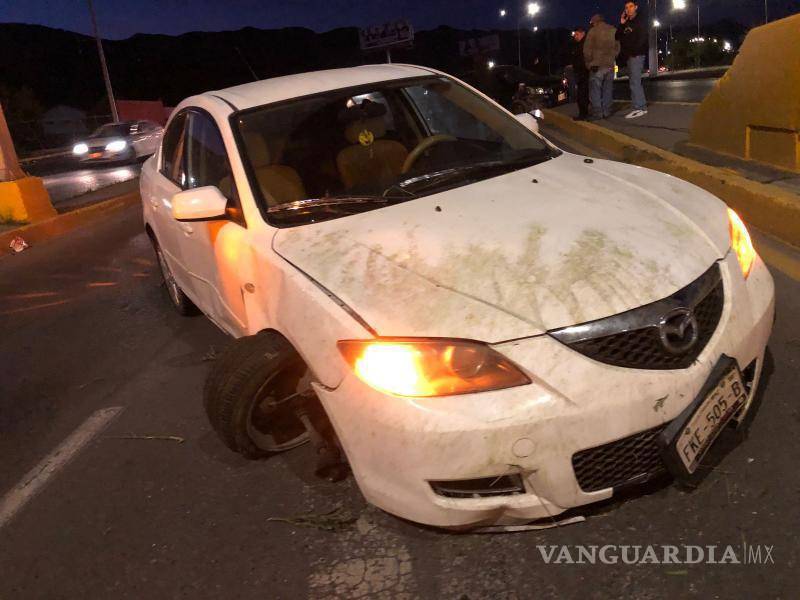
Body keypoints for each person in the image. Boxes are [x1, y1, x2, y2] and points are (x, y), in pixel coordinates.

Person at [583, 14, 619, 121]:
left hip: (596, 65)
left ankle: (598, 113)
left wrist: (589, 63)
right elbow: (618, 46)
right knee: (608, 89)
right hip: (609, 64)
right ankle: (607, 111)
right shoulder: (613, 30)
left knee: (595, 90)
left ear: (594, 22)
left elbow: (587, 50)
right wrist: (613, 56)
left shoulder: (592, 31)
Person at [618, 1, 649, 119]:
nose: (628, 9)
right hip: (629, 56)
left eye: (631, 6)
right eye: (626, 7)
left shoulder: (640, 21)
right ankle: (639, 107)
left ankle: (640, 107)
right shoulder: (627, 23)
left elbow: (643, 38)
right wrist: (622, 23)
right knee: (633, 82)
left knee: (635, 82)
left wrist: (635, 52)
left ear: (636, 7)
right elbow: (617, 36)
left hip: (636, 55)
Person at [571, 27, 590, 121]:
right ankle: (583, 113)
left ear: (583, 33)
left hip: (584, 72)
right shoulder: (578, 44)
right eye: (575, 35)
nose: (575, 37)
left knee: (582, 94)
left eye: (577, 34)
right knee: (581, 94)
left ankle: (583, 114)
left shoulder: (585, 44)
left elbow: (584, 58)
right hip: (580, 72)